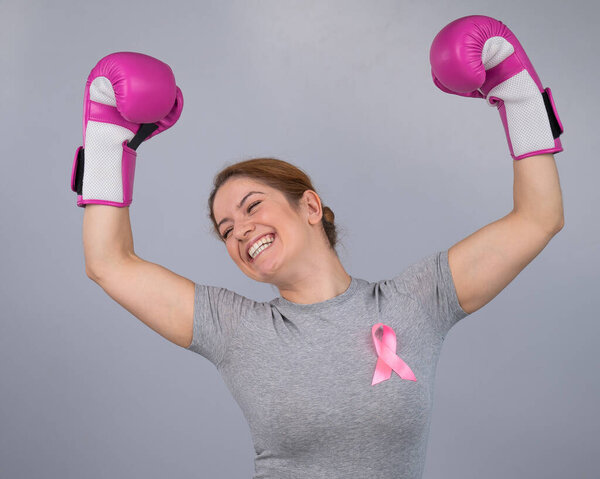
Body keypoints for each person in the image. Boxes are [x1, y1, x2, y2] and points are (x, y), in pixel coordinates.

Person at [73, 15, 565, 479]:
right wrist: (106, 145)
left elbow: (537, 219)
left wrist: (519, 97)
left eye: (252, 207)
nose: (240, 230)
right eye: (225, 229)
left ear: (309, 206)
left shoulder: (417, 301)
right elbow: (109, 263)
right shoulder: (234, 329)